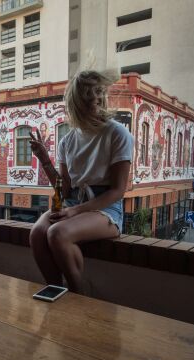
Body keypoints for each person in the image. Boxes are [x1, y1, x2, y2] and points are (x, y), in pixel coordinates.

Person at [29, 70, 133, 293]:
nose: (95, 99)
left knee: (58, 233)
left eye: (97, 93)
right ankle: (56, 289)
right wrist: (44, 159)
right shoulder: (67, 141)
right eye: (88, 95)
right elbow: (64, 188)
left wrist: (74, 212)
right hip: (74, 205)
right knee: (37, 233)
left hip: (106, 210)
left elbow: (117, 191)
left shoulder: (118, 134)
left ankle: (79, 295)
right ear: (77, 102)